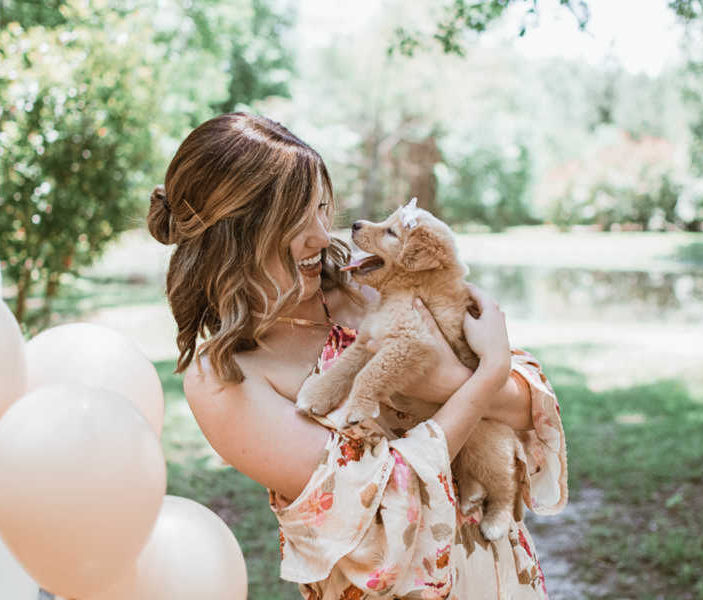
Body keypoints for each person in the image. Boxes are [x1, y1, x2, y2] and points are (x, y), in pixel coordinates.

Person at [148, 112, 567, 600]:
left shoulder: (371, 280)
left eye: (320, 208)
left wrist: (458, 380)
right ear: (233, 233)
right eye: (293, 220)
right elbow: (383, 517)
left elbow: (527, 409)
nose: (322, 237)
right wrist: (484, 377)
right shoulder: (225, 379)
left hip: (501, 577)